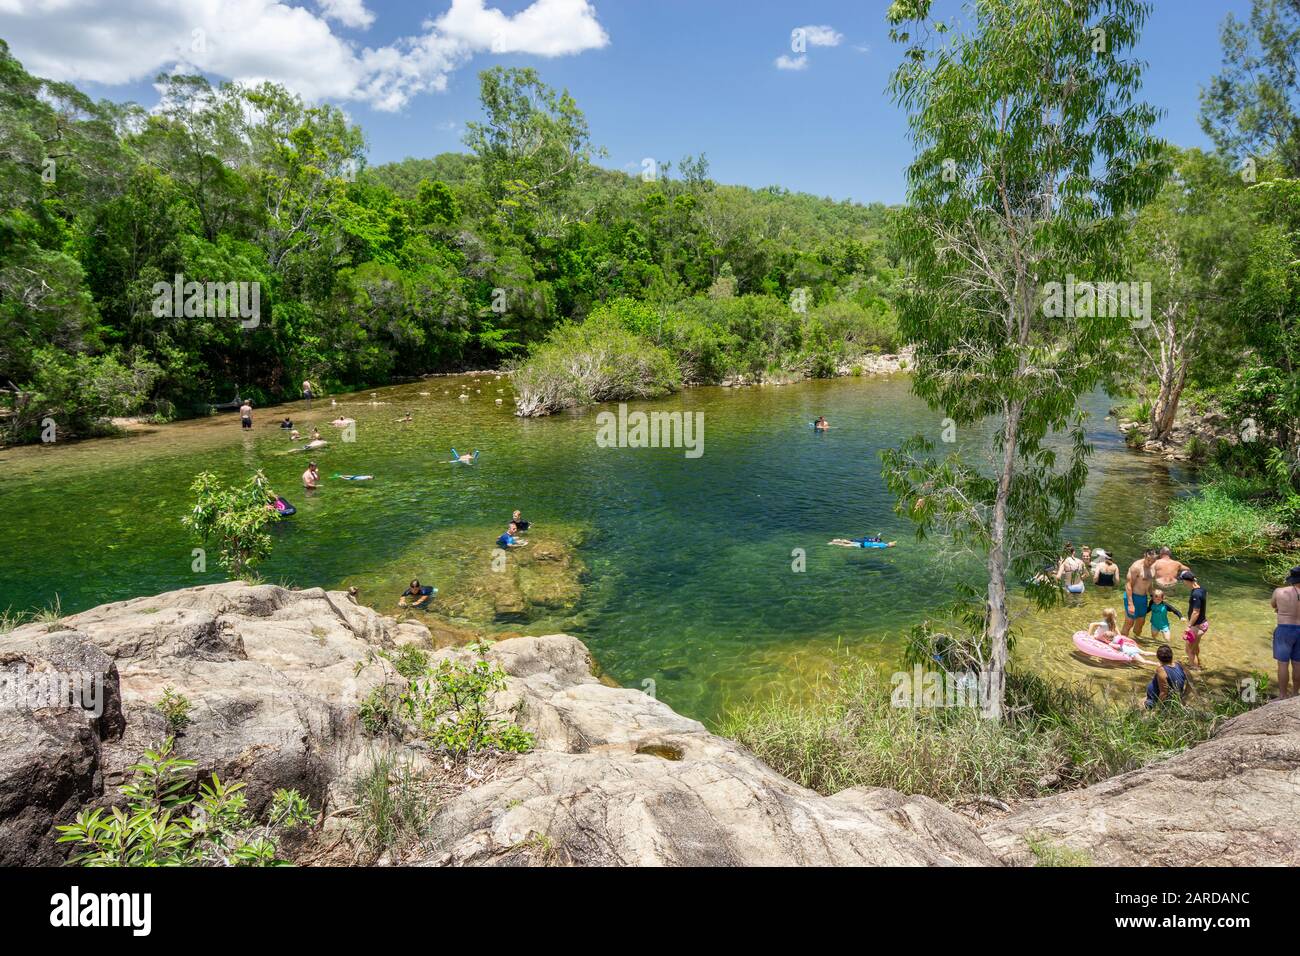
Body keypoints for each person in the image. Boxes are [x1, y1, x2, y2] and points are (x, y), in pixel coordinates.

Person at [1270, 566, 1300, 698]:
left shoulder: (1279, 591)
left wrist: (1281, 608)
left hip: (1285, 629)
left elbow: (1273, 605)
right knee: (1298, 663)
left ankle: (1282, 696)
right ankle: (1295, 694)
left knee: (1283, 663)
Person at [1121, 548, 1159, 639]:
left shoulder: (1154, 567)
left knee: (1141, 622)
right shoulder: (1136, 567)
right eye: (1148, 559)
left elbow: (1149, 583)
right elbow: (1128, 585)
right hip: (1132, 597)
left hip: (1143, 598)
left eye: (1153, 560)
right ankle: (1121, 641)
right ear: (1144, 556)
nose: (1150, 562)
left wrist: (1153, 595)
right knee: (1129, 622)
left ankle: (1136, 641)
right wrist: (1130, 604)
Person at [1181, 569, 1209, 669]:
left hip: (1197, 626)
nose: (1183, 583)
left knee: (1189, 650)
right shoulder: (1202, 589)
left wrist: (1189, 627)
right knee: (1195, 646)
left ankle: (1195, 669)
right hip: (1204, 623)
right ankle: (1198, 663)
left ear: (1187, 581)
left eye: (1183, 580)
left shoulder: (1195, 594)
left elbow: (1196, 612)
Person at [829, 536, 897, 548]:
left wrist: (875, 540)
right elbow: (875, 545)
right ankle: (835, 542)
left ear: (890, 545)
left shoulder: (883, 545)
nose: (890, 542)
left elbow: (875, 546)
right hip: (864, 544)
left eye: (891, 543)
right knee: (848, 544)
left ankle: (836, 541)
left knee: (848, 543)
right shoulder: (884, 545)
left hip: (864, 544)